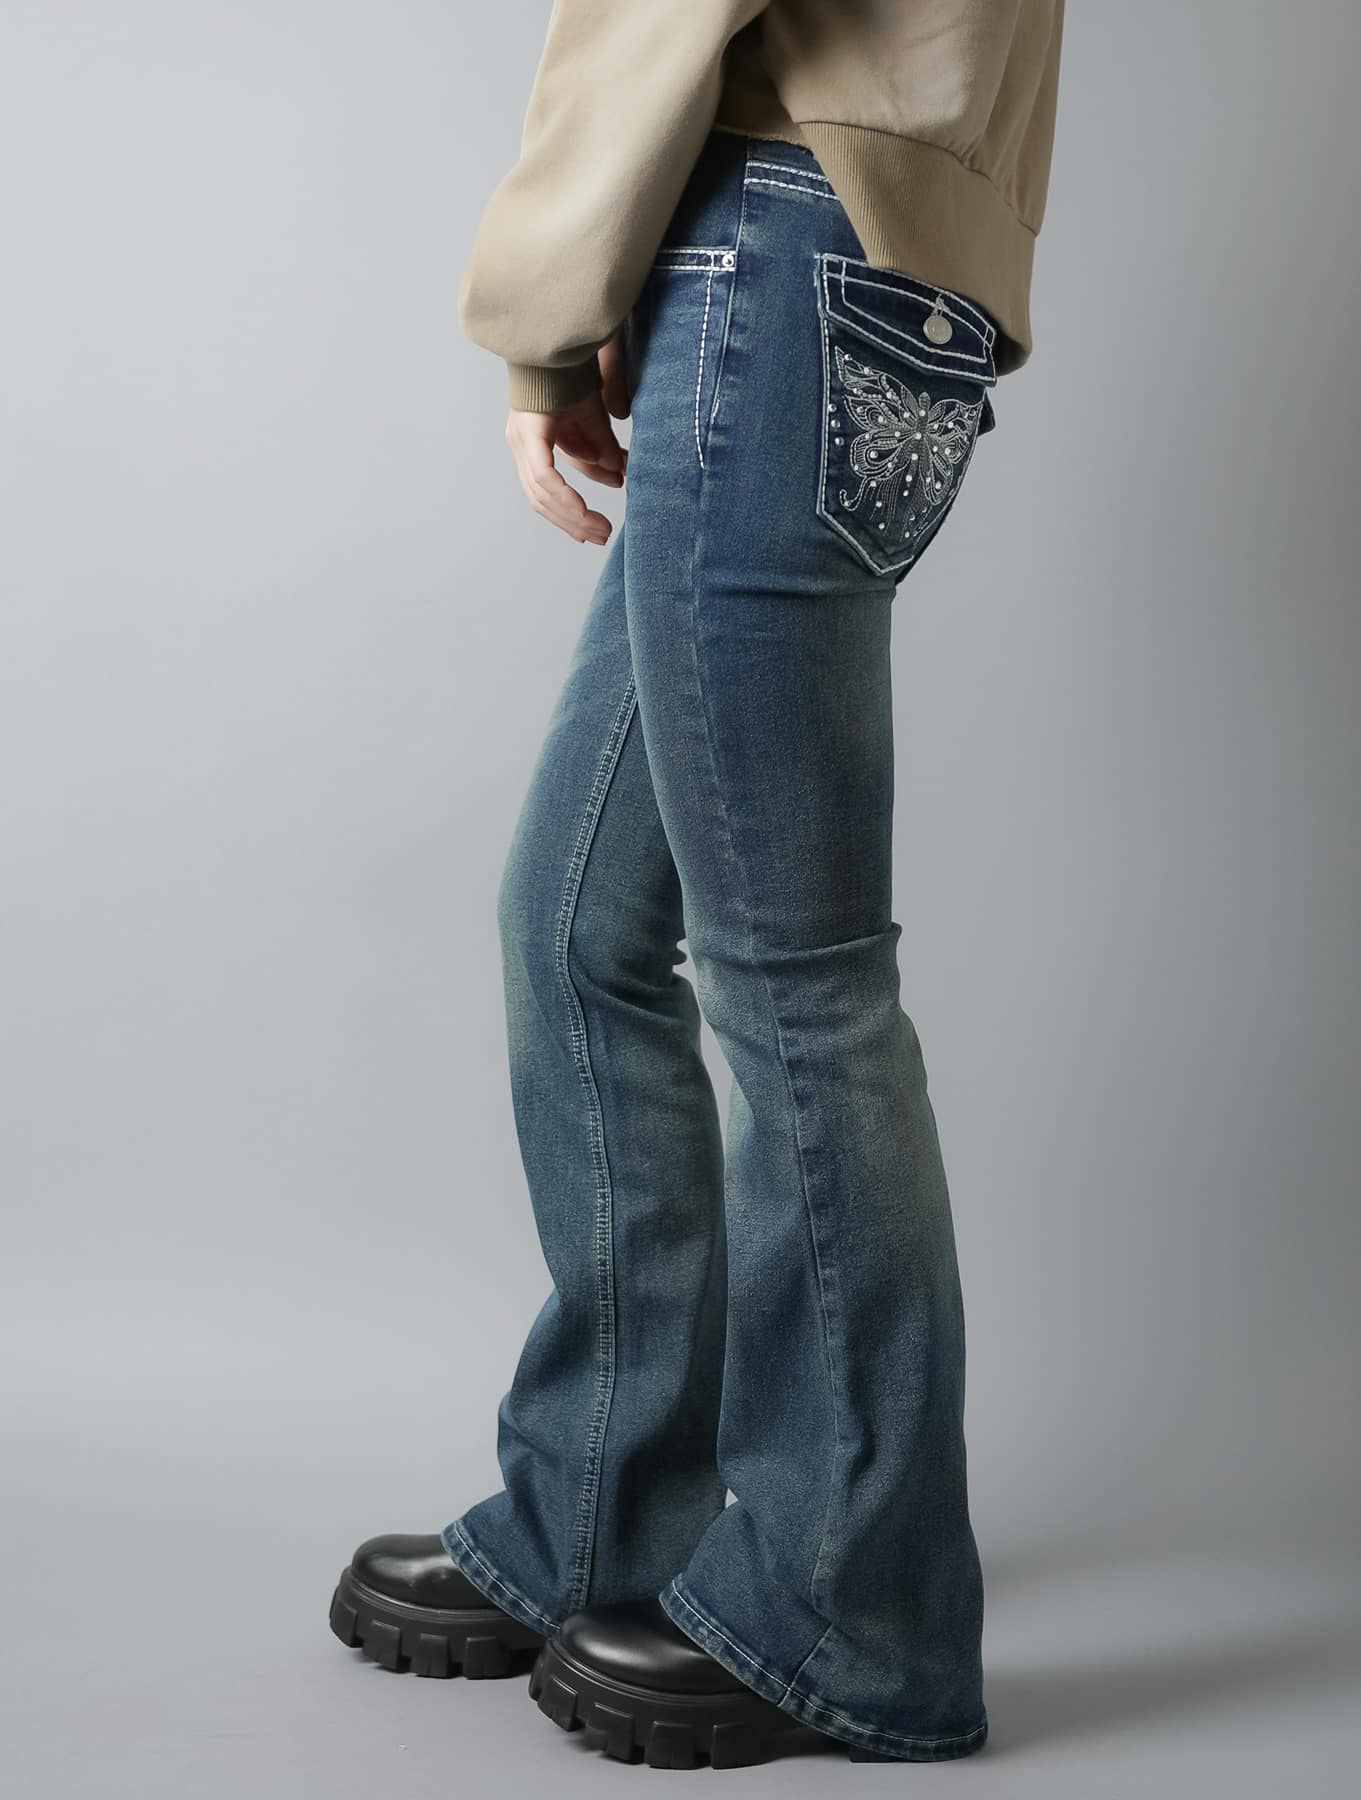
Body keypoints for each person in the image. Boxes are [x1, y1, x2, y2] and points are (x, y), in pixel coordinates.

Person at [328, 1, 1065, 1769]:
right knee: (577, 926)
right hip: (867, 267)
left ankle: (858, 1616)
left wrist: (547, 312)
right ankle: (606, 1512)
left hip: (783, 247)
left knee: (799, 981)